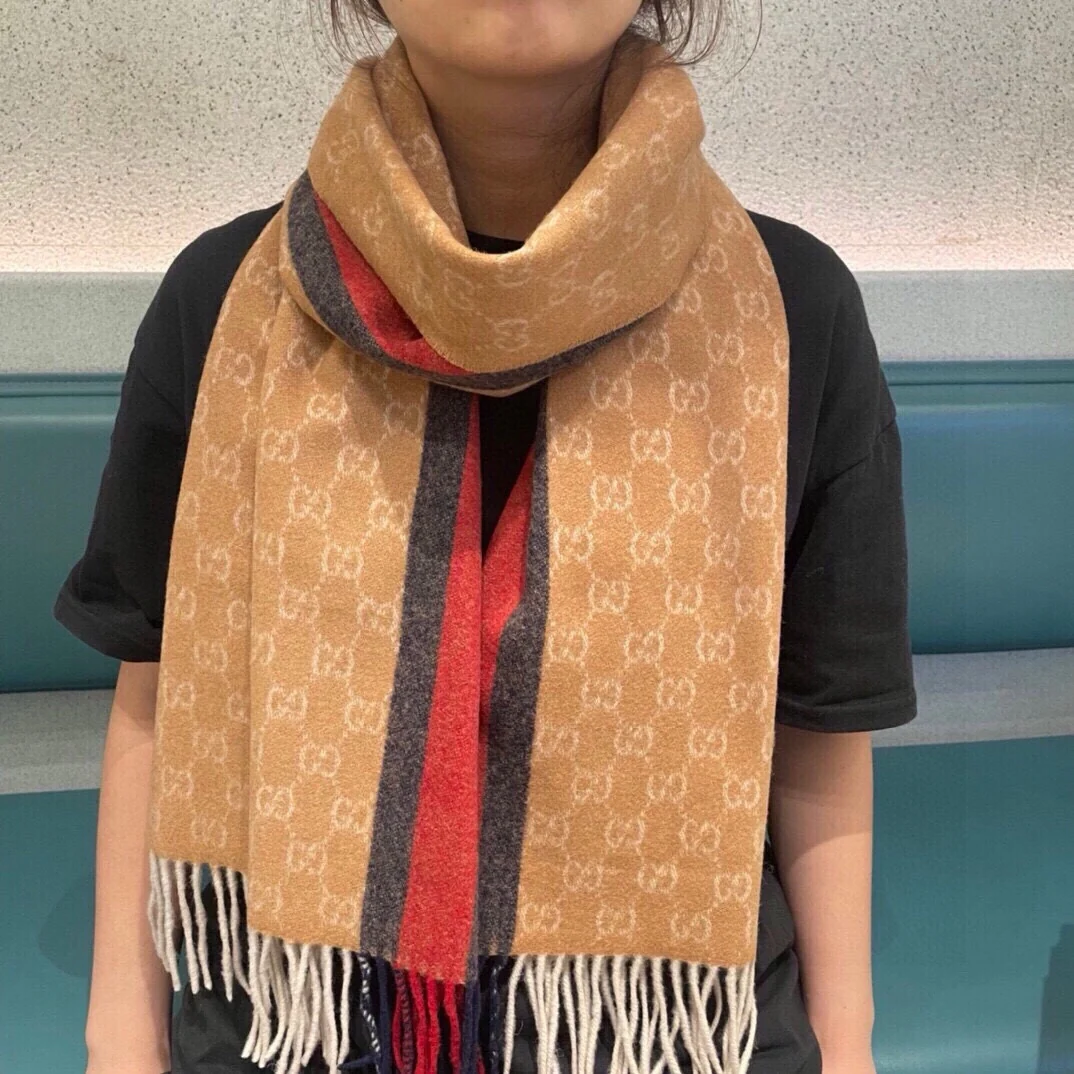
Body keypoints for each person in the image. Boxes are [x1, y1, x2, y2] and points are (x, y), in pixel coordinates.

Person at [54, 2, 917, 1073]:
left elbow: (819, 725)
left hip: (674, 1035)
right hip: (294, 1028)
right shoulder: (229, 302)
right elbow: (156, 688)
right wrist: (118, 1035)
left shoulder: (788, 310)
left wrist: (848, 1045)